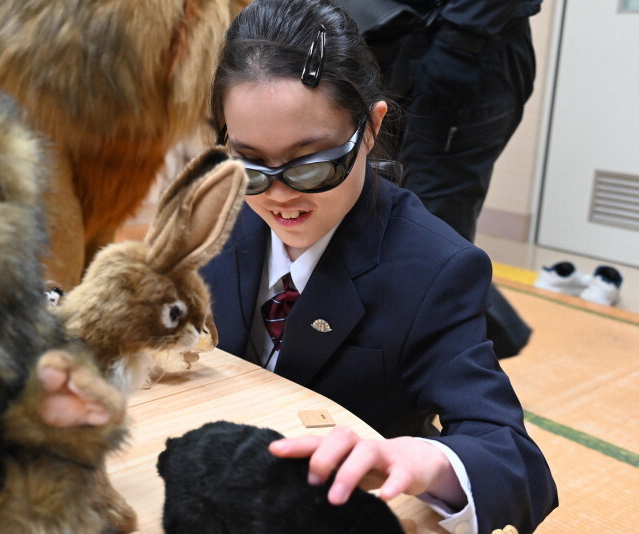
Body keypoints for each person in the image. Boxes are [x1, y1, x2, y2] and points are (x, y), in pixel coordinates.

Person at [200, 1, 558, 533]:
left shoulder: (434, 269)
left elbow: (515, 461)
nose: (278, 196)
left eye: (313, 165)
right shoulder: (219, 216)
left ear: (370, 127)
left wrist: (425, 462)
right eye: (250, 166)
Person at [339, 0, 541, 359]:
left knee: (428, 236)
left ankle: (437, 389)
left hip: (463, 54)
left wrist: (461, 41)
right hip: (392, 49)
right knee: (379, 226)